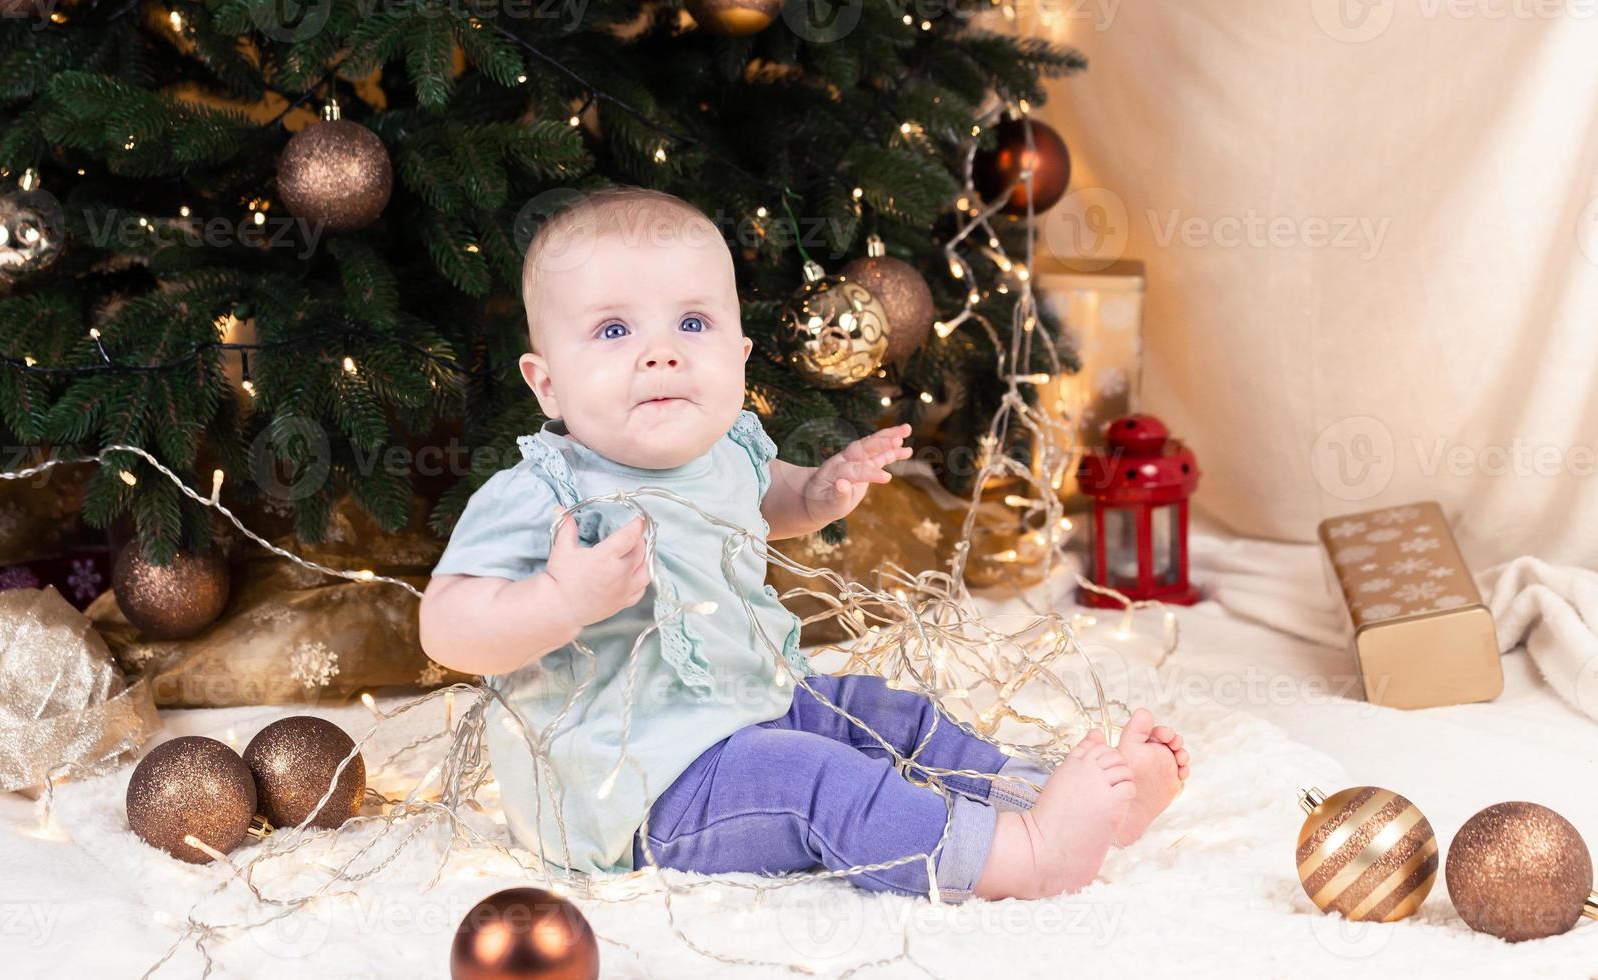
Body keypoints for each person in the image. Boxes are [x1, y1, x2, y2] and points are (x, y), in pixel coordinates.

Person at [419, 186, 1190, 903]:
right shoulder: (545, 491)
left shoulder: (720, 449)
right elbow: (446, 627)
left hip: (755, 701)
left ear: (740, 357)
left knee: (883, 714)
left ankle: (1045, 797)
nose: (662, 353)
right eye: (614, 330)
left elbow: (765, 499)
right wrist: (558, 600)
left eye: (692, 324)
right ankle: (1021, 856)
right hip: (634, 786)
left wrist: (816, 495)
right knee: (815, 781)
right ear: (546, 383)